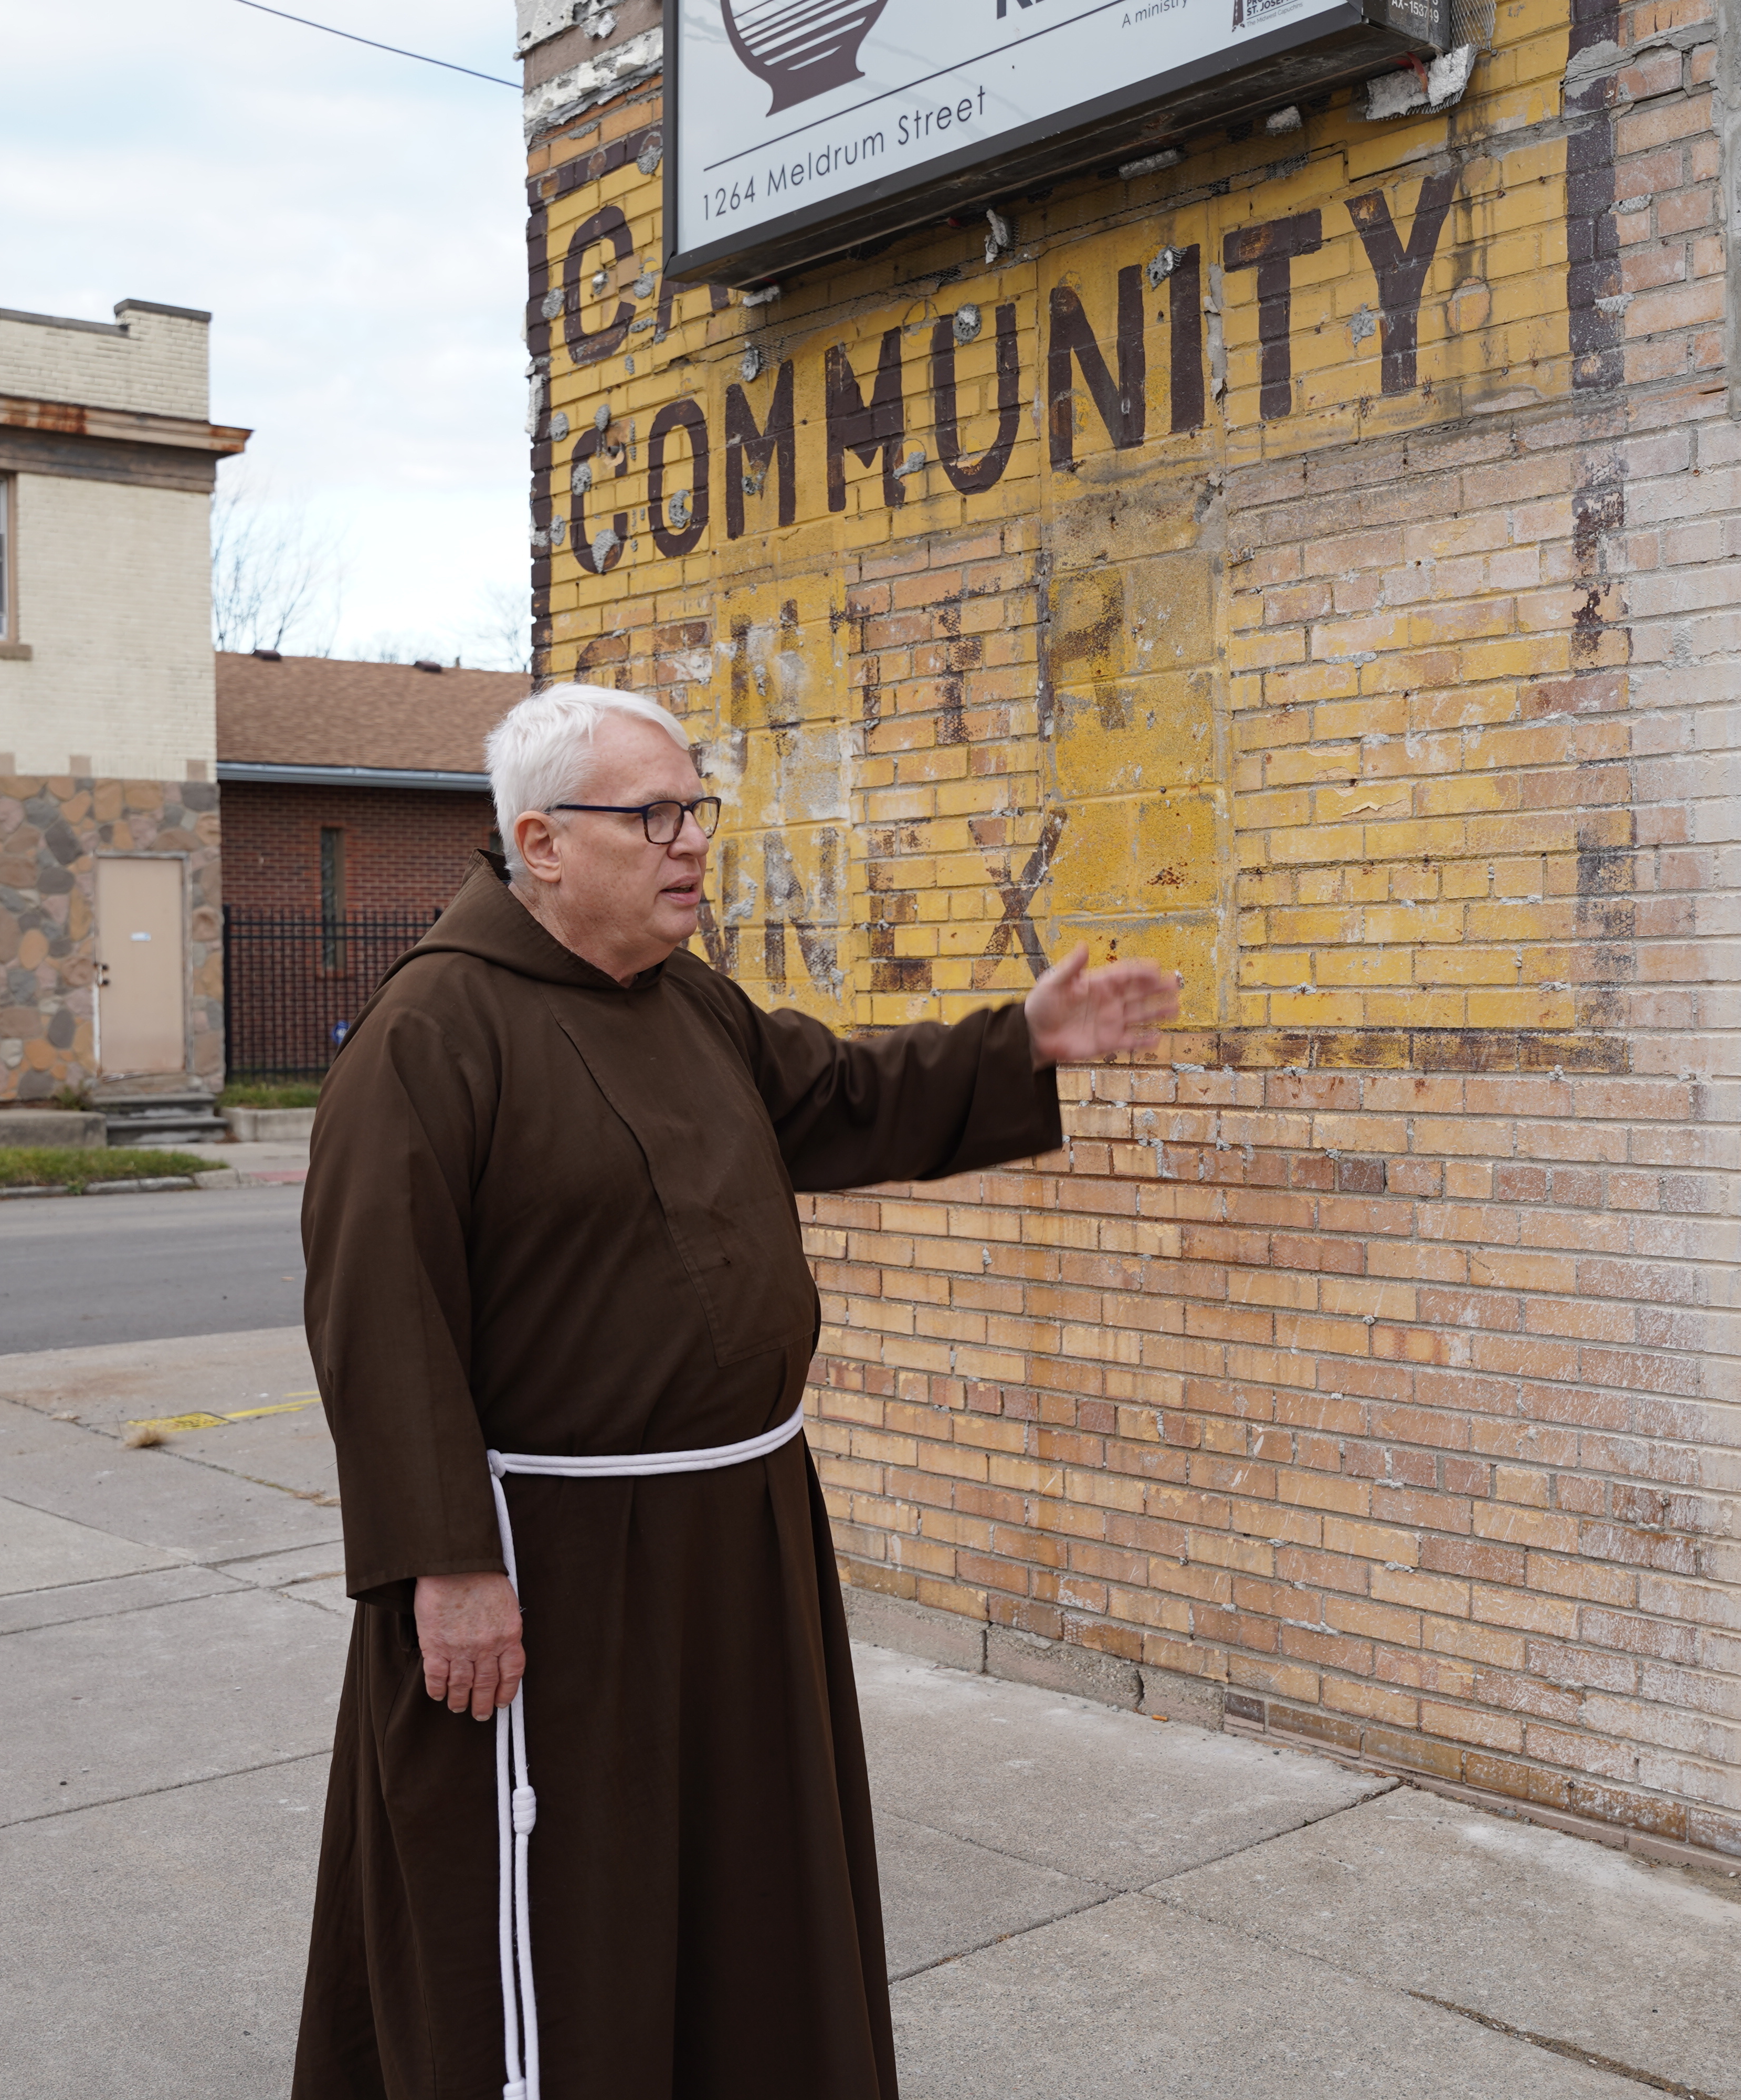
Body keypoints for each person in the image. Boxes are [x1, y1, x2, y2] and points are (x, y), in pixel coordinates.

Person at [292, 683, 1179, 2099]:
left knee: (734, 1884)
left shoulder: (687, 1000)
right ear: (543, 843)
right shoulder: (432, 1037)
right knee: (567, 1897)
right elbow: (378, 1322)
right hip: (555, 1566)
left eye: (694, 810)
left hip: (737, 1538)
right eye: (651, 815)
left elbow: (833, 1097)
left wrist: (1020, 1040)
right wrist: (442, 1564)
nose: (690, 841)